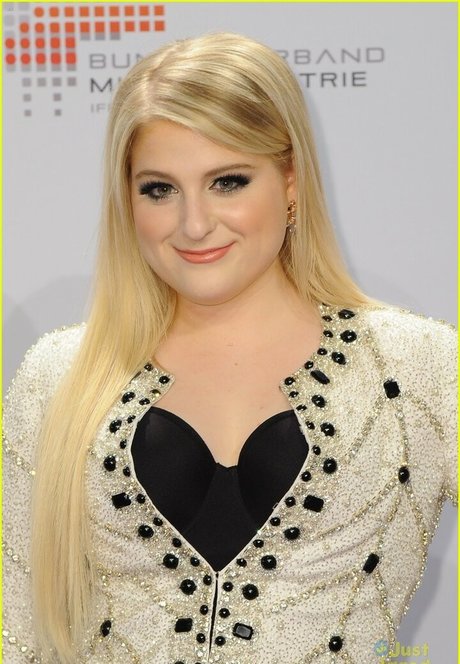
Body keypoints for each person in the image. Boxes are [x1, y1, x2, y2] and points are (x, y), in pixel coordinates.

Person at [3, 32, 456, 664]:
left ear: (291, 181)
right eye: (159, 189)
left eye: (228, 182)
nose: (194, 224)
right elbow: (16, 632)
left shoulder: (420, 369)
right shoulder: (58, 378)